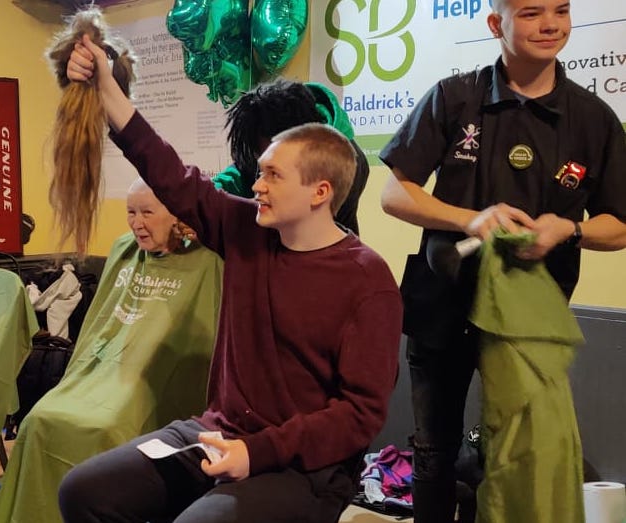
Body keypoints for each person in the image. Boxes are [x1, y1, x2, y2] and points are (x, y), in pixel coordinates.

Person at [57, 34, 403, 523]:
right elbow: (168, 171)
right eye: (259, 172)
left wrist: (257, 453)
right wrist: (106, 87)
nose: (256, 184)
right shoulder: (242, 229)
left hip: (307, 467)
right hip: (218, 434)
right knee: (85, 491)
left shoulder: (368, 281)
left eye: (273, 176)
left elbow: (360, 414)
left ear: (320, 192)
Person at [378, 0, 626, 521]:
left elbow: (620, 225)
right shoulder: (453, 97)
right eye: (532, 12)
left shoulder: (593, 118)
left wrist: (571, 229)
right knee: (432, 452)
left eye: (560, 10)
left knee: (515, 453)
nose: (551, 24)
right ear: (497, 24)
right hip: (443, 303)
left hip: (529, 318)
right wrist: (470, 219)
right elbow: (395, 196)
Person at [0, 178, 223, 523]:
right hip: (99, 376)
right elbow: (101, 325)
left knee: (107, 430)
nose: (136, 222)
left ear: (177, 213)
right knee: (38, 420)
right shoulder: (124, 251)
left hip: (147, 385)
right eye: (130, 212)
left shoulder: (208, 260)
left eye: (147, 212)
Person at [212, 78, 370, 234]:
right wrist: (205, 206)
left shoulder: (346, 164)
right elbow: (238, 175)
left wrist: (243, 212)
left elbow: (300, 224)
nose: (258, 185)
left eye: (273, 172)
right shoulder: (265, 136)